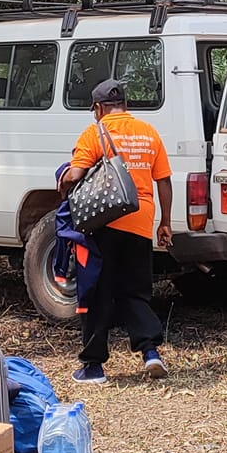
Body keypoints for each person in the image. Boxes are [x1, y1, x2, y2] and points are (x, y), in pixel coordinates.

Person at [60, 79, 174, 384]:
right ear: (125, 105)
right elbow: (163, 180)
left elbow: (76, 174)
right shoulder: (149, 132)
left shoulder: (95, 132)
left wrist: (63, 182)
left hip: (105, 222)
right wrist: (165, 222)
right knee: (135, 291)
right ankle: (150, 352)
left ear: (99, 108)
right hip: (141, 220)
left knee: (98, 292)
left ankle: (93, 367)